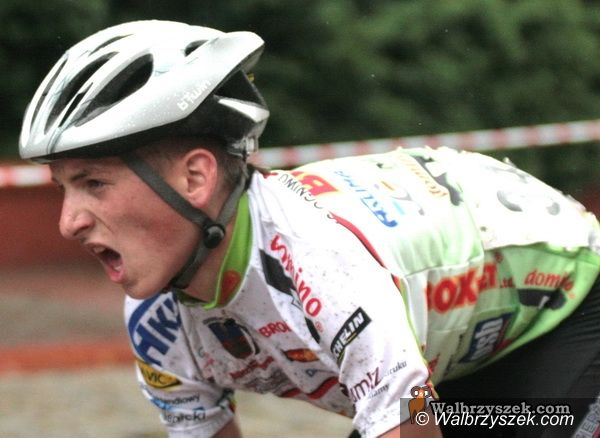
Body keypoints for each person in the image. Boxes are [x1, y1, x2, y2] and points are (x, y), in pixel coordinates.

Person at [19, 20, 600, 438]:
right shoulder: (158, 324)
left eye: (94, 183)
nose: (69, 222)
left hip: (568, 307)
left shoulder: (319, 265)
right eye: (63, 188)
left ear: (195, 177)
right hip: (451, 372)